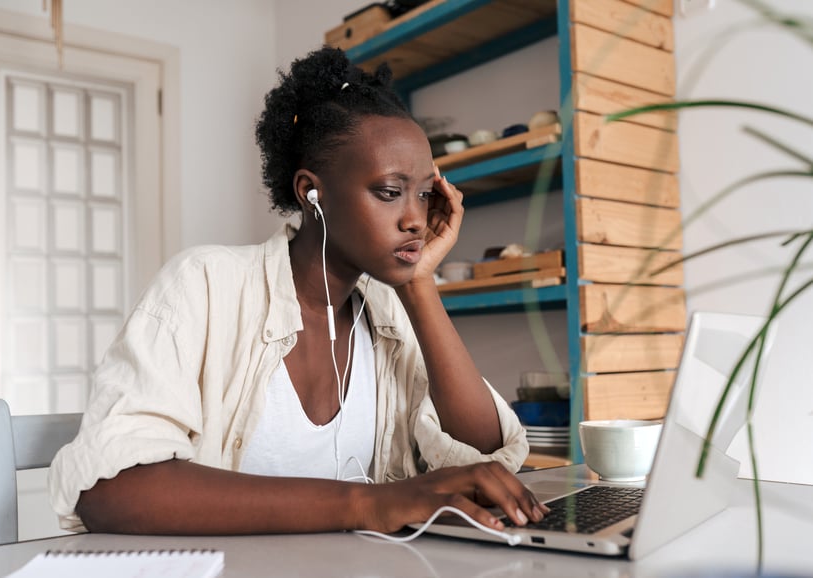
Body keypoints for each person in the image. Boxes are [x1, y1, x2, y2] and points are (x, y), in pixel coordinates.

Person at [49, 46, 548, 536]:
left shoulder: (386, 313)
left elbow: (484, 456)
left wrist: (419, 285)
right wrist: (370, 504)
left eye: (423, 194)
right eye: (390, 193)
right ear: (312, 192)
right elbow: (112, 489)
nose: (416, 219)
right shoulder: (204, 285)